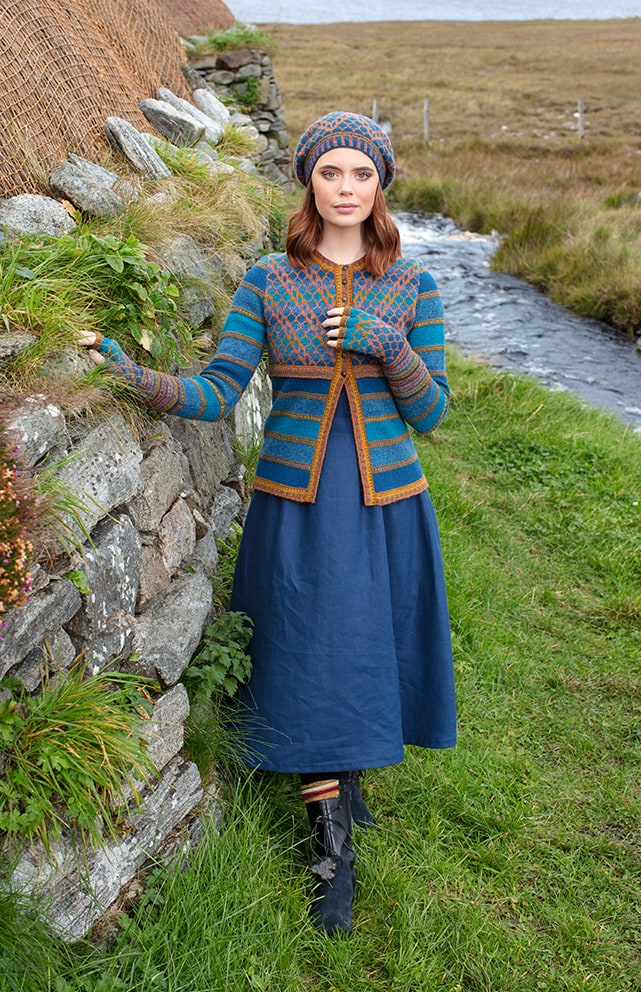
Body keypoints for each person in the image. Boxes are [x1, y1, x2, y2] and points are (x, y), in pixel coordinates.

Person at [79, 111, 456, 936]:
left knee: (367, 651)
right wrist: (132, 375)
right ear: (308, 183)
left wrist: (387, 344)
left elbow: (431, 412)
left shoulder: (412, 286)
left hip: (389, 503)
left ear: (381, 183)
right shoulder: (268, 280)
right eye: (331, 174)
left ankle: (344, 786)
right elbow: (216, 392)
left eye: (361, 174)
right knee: (316, 655)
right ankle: (331, 857)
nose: (347, 189)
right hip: (299, 507)